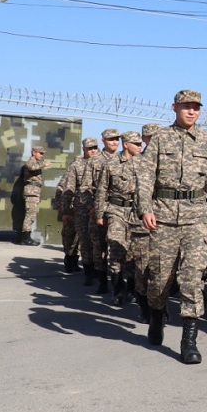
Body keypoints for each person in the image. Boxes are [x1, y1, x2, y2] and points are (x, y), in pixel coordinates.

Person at [136, 90, 207, 365]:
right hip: (163, 215)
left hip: (197, 216)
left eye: (196, 107)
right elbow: (145, 176)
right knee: (160, 279)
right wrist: (145, 208)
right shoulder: (161, 138)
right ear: (174, 107)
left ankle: (189, 341)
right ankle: (157, 314)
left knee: (192, 278)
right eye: (186, 106)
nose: (191, 111)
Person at [94, 130, 144, 306]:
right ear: (126, 144)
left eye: (141, 144)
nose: (140, 146)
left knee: (132, 252)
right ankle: (117, 288)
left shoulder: (145, 165)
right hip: (115, 210)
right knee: (115, 248)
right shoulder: (111, 164)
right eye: (137, 144)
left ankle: (130, 288)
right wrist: (100, 213)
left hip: (136, 212)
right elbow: (102, 190)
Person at [127, 123, 162, 323]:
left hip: (166, 221)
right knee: (143, 267)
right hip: (142, 221)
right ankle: (144, 307)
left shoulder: (171, 160)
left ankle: (159, 305)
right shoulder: (138, 162)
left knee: (163, 268)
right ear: (147, 138)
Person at [81, 129, 121, 293]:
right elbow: (84, 187)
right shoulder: (94, 162)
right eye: (110, 139)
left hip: (119, 211)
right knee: (99, 247)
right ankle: (102, 281)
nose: (114, 142)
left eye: (116, 139)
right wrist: (93, 207)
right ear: (103, 140)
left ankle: (119, 284)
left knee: (119, 249)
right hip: (99, 211)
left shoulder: (124, 160)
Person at [60, 137, 100, 283]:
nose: (93, 151)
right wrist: (66, 211)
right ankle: (88, 272)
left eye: (95, 147)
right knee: (84, 240)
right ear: (84, 149)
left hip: (99, 207)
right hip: (81, 208)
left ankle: (98, 269)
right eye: (90, 148)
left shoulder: (103, 162)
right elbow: (69, 189)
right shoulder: (76, 166)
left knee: (98, 241)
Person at [20, 146, 52, 246]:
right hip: (31, 192)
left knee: (32, 215)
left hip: (35, 192)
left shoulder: (37, 163)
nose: (42, 155)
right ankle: (25, 238)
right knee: (30, 215)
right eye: (40, 153)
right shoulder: (30, 162)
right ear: (34, 153)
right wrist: (44, 164)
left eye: (42, 153)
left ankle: (27, 237)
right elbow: (32, 167)